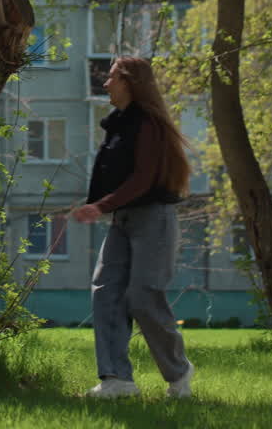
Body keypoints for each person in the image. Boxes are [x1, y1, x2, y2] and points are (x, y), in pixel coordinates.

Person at [70, 56, 194, 399]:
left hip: (153, 219)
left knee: (143, 296)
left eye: (111, 77)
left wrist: (99, 206)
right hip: (124, 220)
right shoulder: (119, 124)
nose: (105, 83)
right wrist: (98, 205)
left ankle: (179, 374)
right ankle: (117, 380)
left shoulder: (148, 125)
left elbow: (143, 178)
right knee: (105, 292)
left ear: (129, 82)